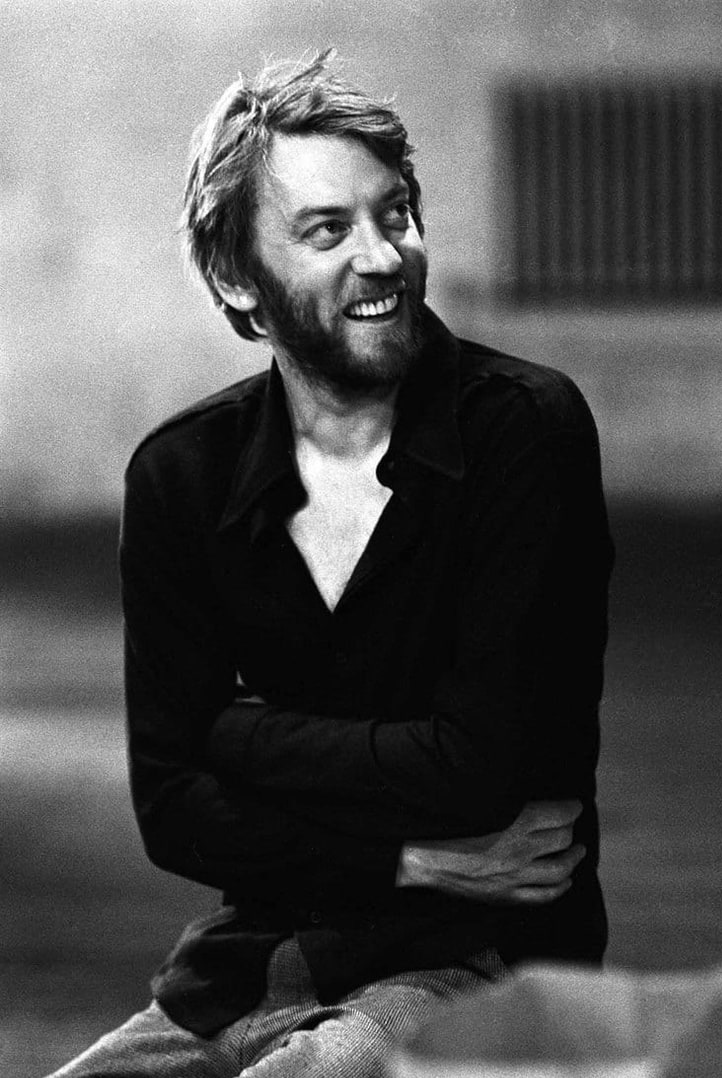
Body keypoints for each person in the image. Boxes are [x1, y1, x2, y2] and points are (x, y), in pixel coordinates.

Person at [50, 50, 614, 1078]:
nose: (383, 255)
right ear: (238, 277)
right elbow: (172, 811)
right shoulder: (181, 475)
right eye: (327, 230)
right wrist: (410, 855)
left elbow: (479, 767)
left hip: (479, 958)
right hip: (251, 964)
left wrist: (235, 732)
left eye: (394, 214)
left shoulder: (525, 431)